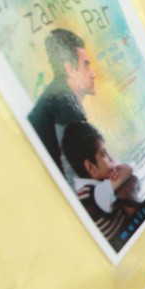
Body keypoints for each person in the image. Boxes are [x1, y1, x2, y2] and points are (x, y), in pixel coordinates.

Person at [28, 28, 96, 177]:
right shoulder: (66, 111)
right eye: (86, 65)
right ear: (70, 68)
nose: (93, 74)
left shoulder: (59, 100)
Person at [62, 121, 139, 248]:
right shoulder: (87, 195)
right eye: (104, 153)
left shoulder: (96, 187)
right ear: (90, 166)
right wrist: (117, 177)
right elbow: (127, 169)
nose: (111, 159)